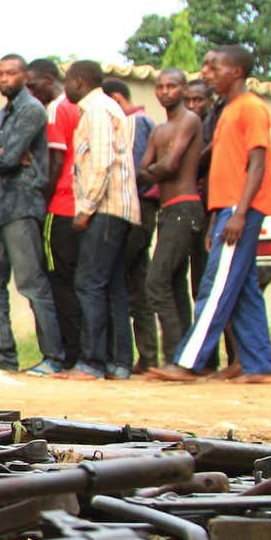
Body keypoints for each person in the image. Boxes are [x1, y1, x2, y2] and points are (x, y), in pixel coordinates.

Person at [151, 46, 271, 384]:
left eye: (213, 67)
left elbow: (256, 163)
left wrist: (238, 213)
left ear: (236, 72)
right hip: (226, 209)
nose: (205, 72)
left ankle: (189, 361)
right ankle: (260, 367)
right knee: (243, 288)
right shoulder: (229, 111)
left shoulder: (251, 108)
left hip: (241, 208)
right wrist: (215, 217)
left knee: (215, 286)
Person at [0, 54, 64, 374]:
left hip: (23, 204)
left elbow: (9, 156)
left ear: (24, 76)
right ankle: (4, 354)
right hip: (0, 204)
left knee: (31, 282)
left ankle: (53, 356)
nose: (3, 79)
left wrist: (0, 154)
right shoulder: (4, 113)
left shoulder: (30, 110)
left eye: (10, 73)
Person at [56, 60, 139, 381]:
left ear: (79, 81)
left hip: (104, 209)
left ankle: (91, 362)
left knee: (88, 283)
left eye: (67, 82)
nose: (65, 88)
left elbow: (102, 162)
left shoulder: (97, 111)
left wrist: (86, 208)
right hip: (117, 209)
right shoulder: (107, 109)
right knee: (112, 285)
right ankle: (119, 364)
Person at [139, 67, 206, 365]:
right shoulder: (158, 129)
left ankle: (176, 357)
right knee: (174, 283)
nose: (165, 91)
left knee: (156, 281)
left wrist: (156, 169)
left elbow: (172, 165)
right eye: (160, 86)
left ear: (183, 89)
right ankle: (183, 358)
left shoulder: (189, 120)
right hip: (167, 212)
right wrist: (158, 169)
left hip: (185, 207)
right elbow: (145, 170)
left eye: (172, 86)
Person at [27, 58, 84, 370]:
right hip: (79, 205)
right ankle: (79, 354)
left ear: (49, 80)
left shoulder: (57, 109)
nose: (30, 91)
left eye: (32, 84)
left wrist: (42, 200)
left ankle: (66, 355)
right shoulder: (77, 107)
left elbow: (56, 162)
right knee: (76, 282)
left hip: (61, 206)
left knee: (58, 282)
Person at [105, 78, 160, 372]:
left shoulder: (134, 122)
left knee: (126, 280)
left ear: (115, 98)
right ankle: (147, 357)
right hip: (141, 208)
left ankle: (133, 355)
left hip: (137, 208)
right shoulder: (142, 120)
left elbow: (133, 172)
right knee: (138, 281)